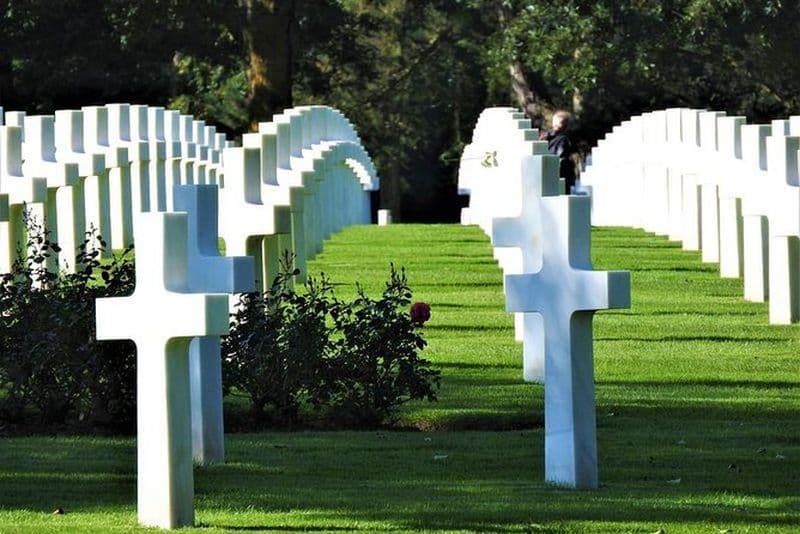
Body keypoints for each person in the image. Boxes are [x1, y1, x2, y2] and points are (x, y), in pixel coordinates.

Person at [540, 110, 577, 193]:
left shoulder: (562, 140)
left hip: (556, 177)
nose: (556, 125)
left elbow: (561, 159)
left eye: (559, 122)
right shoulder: (546, 137)